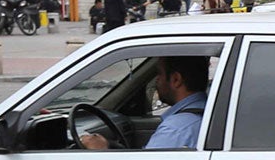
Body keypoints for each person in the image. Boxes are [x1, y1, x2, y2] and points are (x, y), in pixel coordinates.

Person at [77, 56, 210, 151]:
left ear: (176, 79)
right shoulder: (205, 110)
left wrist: (101, 150)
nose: (157, 81)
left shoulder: (176, 130)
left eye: (159, 74)